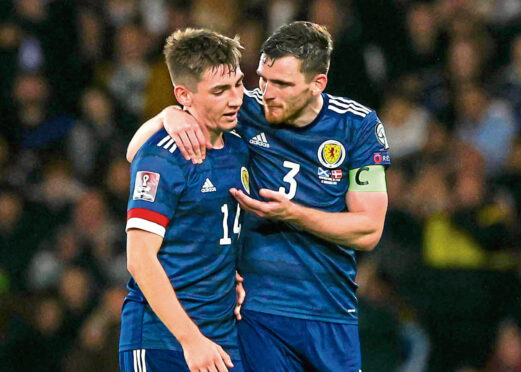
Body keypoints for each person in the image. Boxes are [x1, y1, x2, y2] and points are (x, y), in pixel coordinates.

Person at [128, 21, 390, 372]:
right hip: (258, 313)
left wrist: (292, 213)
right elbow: (137, 153)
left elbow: (369, 230)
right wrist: (169, 114)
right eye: (262, 79)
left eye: (281, 84)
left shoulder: (357, 127)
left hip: (330, 307)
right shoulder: (244, 110)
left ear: (318, 84)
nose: (265, 92)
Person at [120, 28, 249, 372]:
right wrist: (190, 341)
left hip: (221, 336)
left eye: (238, 83)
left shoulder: (239, 147)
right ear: (184, 95)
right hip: (163, 340)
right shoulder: (163, 158)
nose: (235, 98)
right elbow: (139, 259)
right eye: (220, 90)